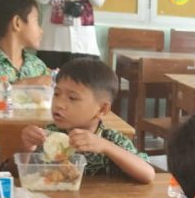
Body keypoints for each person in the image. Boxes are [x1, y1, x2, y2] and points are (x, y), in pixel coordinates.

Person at [20, 58, 154, 183]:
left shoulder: (112, 139)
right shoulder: (47, 135)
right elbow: (17, 174)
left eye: (72, 98)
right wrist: (26, 148)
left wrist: (105, 147)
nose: (59, 103)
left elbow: (148, 174)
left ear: (102, 109)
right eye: (56, 94)